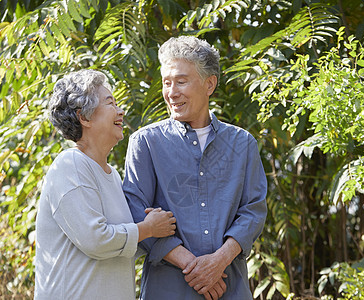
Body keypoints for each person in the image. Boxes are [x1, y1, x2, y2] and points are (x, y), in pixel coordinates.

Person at [123, 36, 267, 300]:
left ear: (209, 84)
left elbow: (253, 211)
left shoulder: (243, 144)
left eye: (181, 81)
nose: (172, 92)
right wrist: (196, 268)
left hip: (230, 289)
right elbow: (135, 213)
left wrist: (219, 261)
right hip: (166, 290)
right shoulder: (145, 143)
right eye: (167, 83)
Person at [34, 69, 176, 300]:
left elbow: (120, 245)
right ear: (84, 117)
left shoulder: (112, 176)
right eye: (110, 103)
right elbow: (96, 240)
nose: (121, 111)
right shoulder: (70, 165)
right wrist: (147, 228)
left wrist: (151, 226)